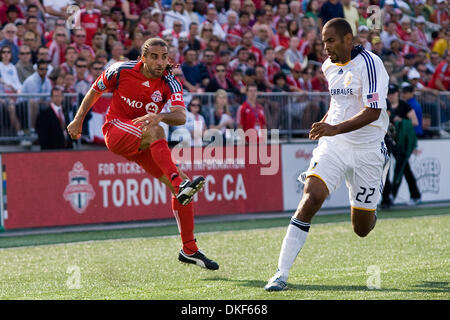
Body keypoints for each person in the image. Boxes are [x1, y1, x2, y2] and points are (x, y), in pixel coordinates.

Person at [67, 38, 219, 270]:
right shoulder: (120, 70)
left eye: (164, 57)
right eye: (155, 57)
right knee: (160, 139)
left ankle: (189, 249)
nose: (161, 62)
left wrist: (161, 115)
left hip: (143, 142)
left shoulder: (170, 82)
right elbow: (94, 91)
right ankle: (179, 186)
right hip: (116, 131)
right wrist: (78, 120)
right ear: (143, 57)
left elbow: (180, 116)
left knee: (183, 181)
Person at [265, 18, 390, 291]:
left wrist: (333, 128)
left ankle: (373, 202)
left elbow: (373, 112)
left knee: (362, 228)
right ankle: (281, 273)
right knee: (311, 197)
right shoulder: (328, 66)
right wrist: (326, 127)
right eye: (323, 42)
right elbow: (339, 103)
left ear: (349, 39)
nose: (326, 48)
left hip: (368, 150)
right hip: (334, 147)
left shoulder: (371, 64)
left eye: (331, 40)